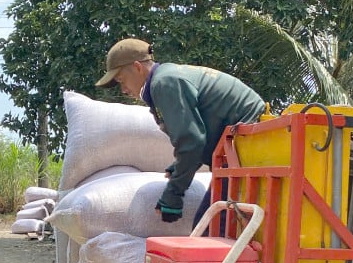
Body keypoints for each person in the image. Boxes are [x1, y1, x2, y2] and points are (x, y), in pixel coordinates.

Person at [96, 38, 265, 226]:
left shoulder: (164, 83)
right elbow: (201, 131)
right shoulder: (166, 78)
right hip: (239, 146)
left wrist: (173, 194)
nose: (124, 89)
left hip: (247, 144)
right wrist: (180, 167)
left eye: (121, 80)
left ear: (137, 67)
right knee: (214, 227)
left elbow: (191, 142)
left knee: (211, 230)